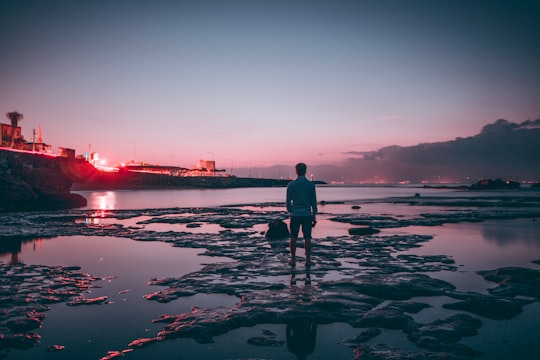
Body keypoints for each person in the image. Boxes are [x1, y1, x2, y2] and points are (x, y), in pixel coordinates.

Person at [286, 162, 318, 266]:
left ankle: (293, 259)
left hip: (295, 214)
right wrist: (314, 214)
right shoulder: (310, 185)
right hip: (307, 214)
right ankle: (308, 260)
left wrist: (290, 211)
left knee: (293, 237)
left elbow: (288, 201)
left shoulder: (291, 185)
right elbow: (313, 201)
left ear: (296, 171)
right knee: (307, 237)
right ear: (305, 171)